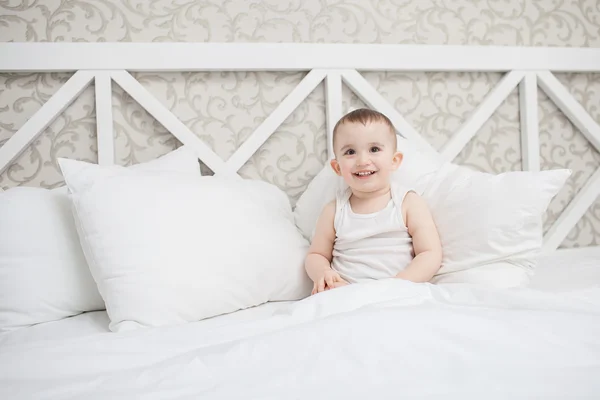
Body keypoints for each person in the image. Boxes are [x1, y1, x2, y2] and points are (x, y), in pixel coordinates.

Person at [305, 108, 443, 295]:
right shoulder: (334, 210)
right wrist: (323, 273)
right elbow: (316, 255)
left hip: (397, 293)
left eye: (374, 149)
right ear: (337, 167)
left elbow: (430, 254)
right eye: (351, 151)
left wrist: (398, 285)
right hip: (346, 293)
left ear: (394, 160)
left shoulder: (408, 203)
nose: (363, 160)